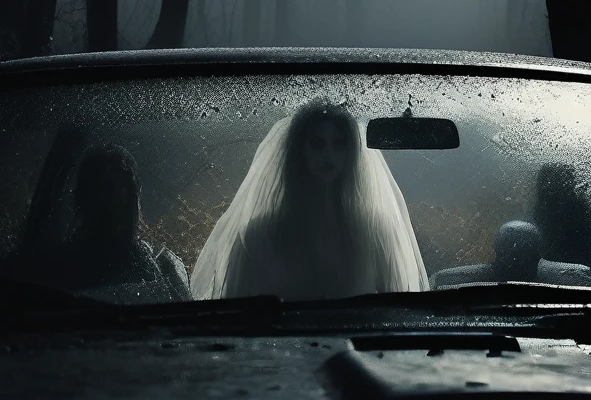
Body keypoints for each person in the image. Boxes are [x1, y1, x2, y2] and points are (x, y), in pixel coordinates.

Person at [191, 101, 428, 301]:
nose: (329, 155)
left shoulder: (374, 230)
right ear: (299, 152)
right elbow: (242, 320)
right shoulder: (260, 234)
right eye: (317, 144)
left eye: (339, 144)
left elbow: (399, 308)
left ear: (351, 152)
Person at [47, 144, 190, 301]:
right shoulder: (57, 268)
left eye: (123, 191)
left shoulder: (162, 265)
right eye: (101, 190)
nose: (115, 202)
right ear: (82, 199)